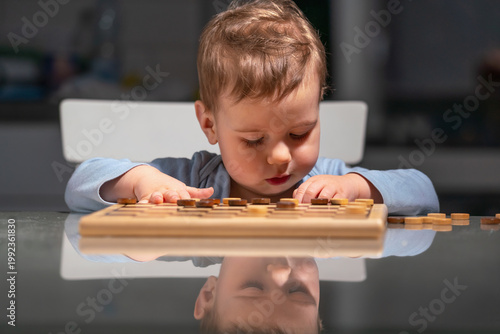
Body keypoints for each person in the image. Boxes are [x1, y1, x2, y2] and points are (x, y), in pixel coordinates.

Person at [65, 0, 439, 216]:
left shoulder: (328, 180)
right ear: (209, 124)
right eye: (254, 139)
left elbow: (423, 191)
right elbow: (81, 183)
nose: (280, 156)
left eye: (299, 133)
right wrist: (143, 182)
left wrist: (358, 187)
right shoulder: (195, 179)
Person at [194, 256, 322, 334]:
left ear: (209, 294)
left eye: (253, 287)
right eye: (298, 291)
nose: (281, 271)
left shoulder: (183, 233)